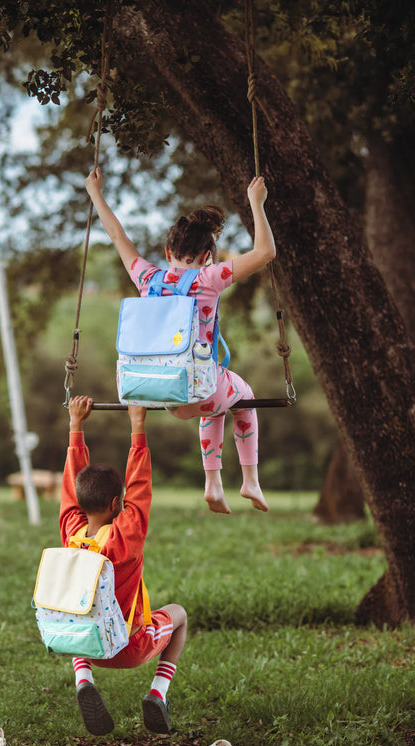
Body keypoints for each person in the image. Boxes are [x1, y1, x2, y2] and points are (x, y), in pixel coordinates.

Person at [85, 167, 276, 515]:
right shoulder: (209, 278)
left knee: (213, 398)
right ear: (207, 256)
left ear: (166, 248)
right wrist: (256, 203)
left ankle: (213, 484)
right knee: (242, 396)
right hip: (198, 390)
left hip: (163, 395)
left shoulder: (147, 277)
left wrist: (95, 192)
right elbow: (265, 252)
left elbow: (116, 235)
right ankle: (250, 480)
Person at [60, 394, 187, 736]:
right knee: (179, 615)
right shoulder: (124, 536)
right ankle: (158, 693)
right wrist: (138, 425)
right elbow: (141, 488)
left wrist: (76, 426)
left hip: (83, 644)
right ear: (117, 504)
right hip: (127, 646)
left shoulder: (71, 534)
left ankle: (83, 678)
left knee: (80, 611)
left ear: (80, 501)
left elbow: (70, 494)